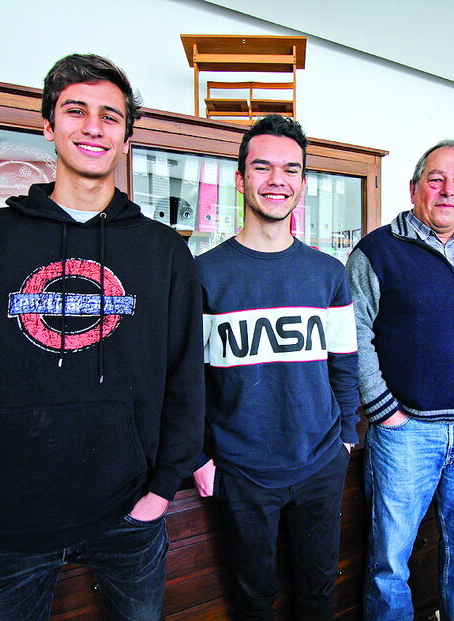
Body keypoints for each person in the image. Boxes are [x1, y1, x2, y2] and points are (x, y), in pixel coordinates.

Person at [0, 54, 205, 620]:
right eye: (76, 111)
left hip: (130, 513)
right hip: (3, 519)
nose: (94, 127)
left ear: (127, 137)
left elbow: (185, 381)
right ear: (48, 126)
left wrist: (157, 495)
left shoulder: (164, 252)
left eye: (111, 116)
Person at [191, 114, 360, 621]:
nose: (276, 180)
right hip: (241, 470)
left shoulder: (328, 273)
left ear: (303, 184)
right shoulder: (204, 274)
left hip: (319, 463)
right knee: (253, 599)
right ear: (240, 179)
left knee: (318, 594)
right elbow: (187, 381)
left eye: (290, 169)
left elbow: (345, 364)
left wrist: (347, 437)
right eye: (262, 168)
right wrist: (200, 457)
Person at [346, 140, 454, 621]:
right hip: (406, 432)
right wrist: (383, 410)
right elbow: (352, 333)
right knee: (390, 560)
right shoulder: (376, 251)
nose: (448, 191)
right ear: (414, 188)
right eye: (436, 179)